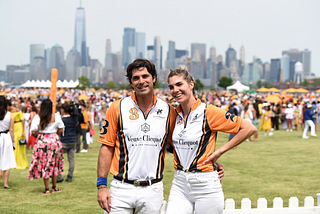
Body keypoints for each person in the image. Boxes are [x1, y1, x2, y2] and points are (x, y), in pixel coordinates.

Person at [96, 59, 224, 213]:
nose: (141, 81)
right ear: (131, 82)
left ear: (154, 78)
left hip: (153, 190)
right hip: (120, 188)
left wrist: (206, 160)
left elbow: (176, 145)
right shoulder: (117, 107)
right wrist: (102, 185)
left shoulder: (168, 111)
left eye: (145, 76)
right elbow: (107, 146)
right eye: (136, 78)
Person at [165, 66, 257, 214]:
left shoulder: (209, 112)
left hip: (206, 185)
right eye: (171, 87)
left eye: (179, 84)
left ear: (191, 84)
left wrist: (219, 152)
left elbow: (249, 128)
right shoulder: (173, 115)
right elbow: (174, 147)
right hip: (180, 183)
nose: (175, 90)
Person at [28, 99, 64, 194]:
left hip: (42, 140)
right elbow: (61, 128)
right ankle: (54, 186)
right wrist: (56, 135)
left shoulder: (38, 117)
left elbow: (33, 130)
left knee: (45, 163)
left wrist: (39, 137)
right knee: (54, 163)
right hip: (54, 140)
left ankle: (47, 188)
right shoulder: (56, 116)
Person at [58, 102, 78, 182]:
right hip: (72, 140)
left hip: (63, 140)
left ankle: (59, 176)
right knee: (71, 159)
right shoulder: (74, 118)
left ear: (62, 110)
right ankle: (70, 175)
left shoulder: (62, 120)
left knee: (59, 159)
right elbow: (76, 124)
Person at [0, 96, 17, 189]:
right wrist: (13, 141)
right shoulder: (9, 115)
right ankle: (5, 184)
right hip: (6, 138)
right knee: (6, 160)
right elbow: (11, 130)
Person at [10, 102, 28, 169]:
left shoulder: (19, 112)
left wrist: (23, 131)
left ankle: (19, 162)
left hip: (19, 127)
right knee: (13, 144)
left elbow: (22, 121)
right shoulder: (10, 112)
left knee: (18, 144)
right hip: (13, 127)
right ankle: (13, 161)